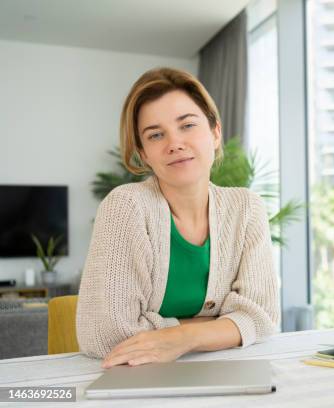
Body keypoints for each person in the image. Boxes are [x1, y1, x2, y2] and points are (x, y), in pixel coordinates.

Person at [76, 67, 280, 368]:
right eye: (156, 135)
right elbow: (105, 336)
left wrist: (184, 339)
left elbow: (262, 317)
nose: (174, 143)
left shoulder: (247, 208)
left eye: (187, 126)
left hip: (224, 370)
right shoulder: (125, 207)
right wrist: (220, 326)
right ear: (144, 154)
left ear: (214, 133)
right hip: (138, 377)